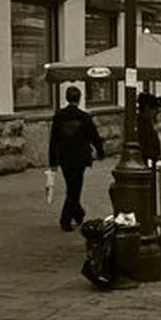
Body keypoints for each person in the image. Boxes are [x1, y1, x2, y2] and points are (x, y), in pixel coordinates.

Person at [48, 85, 105, 233]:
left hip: (64, 158)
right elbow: (94, 136)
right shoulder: (84, 117)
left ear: (67, 98)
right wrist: (100, 152)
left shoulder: (59, 116)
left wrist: (52, 161)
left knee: (71, 186)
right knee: (75, 188)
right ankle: (65, 219)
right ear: (79, 99)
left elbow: (53, 140)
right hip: (79, 158)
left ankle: (78, 213)